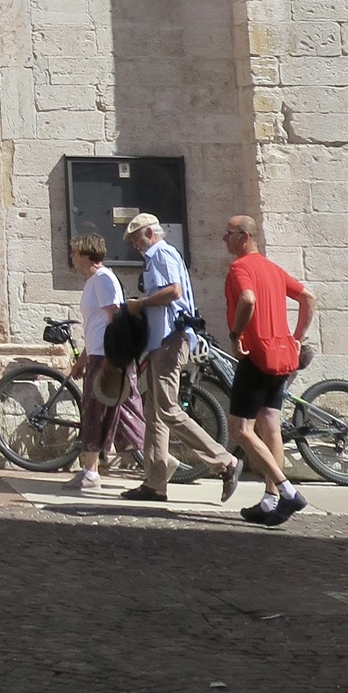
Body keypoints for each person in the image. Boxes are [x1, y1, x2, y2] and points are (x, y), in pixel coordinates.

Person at [123, 210, 241, 506]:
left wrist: (141, 304)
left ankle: (224, 461)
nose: (134, 245)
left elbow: (174, 292)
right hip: (161, 342)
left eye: (136, 239)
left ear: (150, 234)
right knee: (155, 413)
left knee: (167, 410)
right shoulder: (159, 256)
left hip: (169, 340)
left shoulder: (161, 254)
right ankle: (155, 483)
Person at [223, 213, 316, 526]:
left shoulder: (241, 267)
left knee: (240, 430)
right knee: (270, 425)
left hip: (256, 356)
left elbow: (247, 299)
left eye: (229, 233)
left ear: (245, 236)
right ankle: (270, 499)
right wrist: (297, 338)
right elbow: (308, 297)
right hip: (281, 357)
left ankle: (287, 491)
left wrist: (236, 335)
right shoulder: (273, 269)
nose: (224, 239)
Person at [66, 232, 145, 490]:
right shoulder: (93, 281)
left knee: (102, 411)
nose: (72, 257)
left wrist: (114, 355)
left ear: (86, 253)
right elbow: (96, 326)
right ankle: (91, 470)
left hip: (107, 356)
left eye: (75, 252)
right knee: (108, 412)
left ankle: (92, 472)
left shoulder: (103, 279)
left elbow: (115, 318)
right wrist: (83, 359)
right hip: (98, 354)